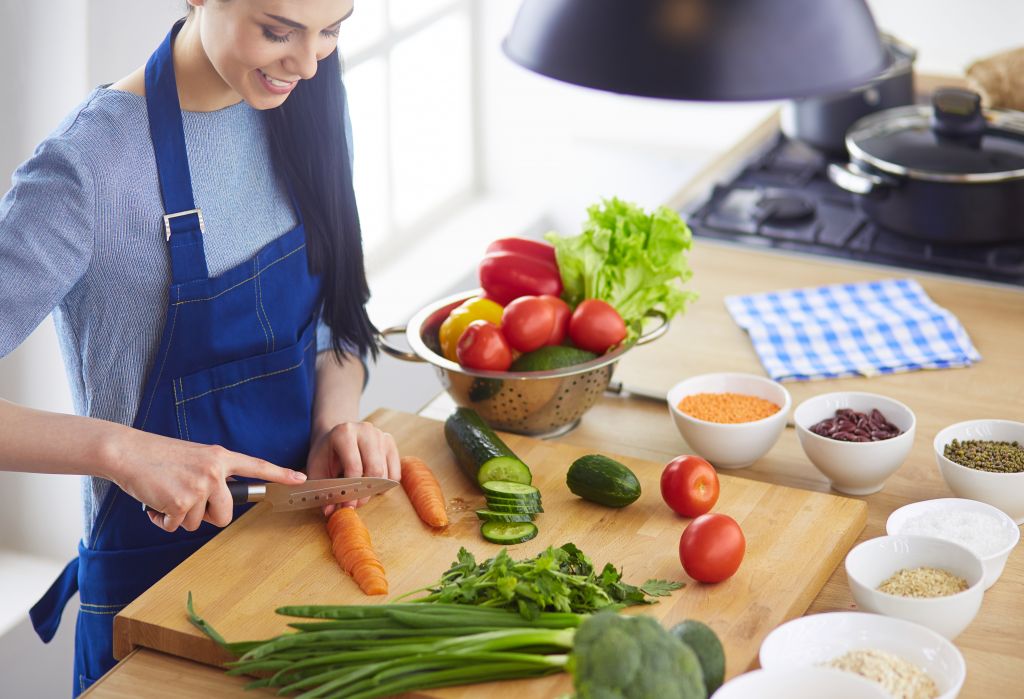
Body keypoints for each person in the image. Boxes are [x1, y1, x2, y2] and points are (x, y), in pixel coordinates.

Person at [0, 1, 400, 694]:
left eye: (332, 30)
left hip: (303, 572)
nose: (306, 63)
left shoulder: (307, 103)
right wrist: (119, 450)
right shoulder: (88, 169)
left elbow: (335, 318)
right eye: (278, 31)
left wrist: (334, 422)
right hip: (154, 608)